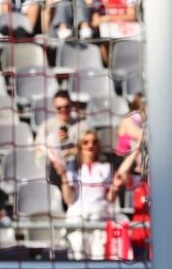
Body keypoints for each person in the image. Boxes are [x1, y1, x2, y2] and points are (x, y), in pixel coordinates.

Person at [54, 130, 119, 259]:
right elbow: (69, 199)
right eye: (85, 142)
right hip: (78, 220)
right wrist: (63, 175)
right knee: (77, 260)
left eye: (94, 142)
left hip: (99, 221)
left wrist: (115, 188)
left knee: (99, 260)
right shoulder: (71, 168)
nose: (90, 145)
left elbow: (109, 199)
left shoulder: (106, 168)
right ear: (80, 146)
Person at [34, 90, 81, 182]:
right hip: (53, 171)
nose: (63, 110)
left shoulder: (81, 125)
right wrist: (55, 156)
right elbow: (38, 149)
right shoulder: (47, 126)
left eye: (66, 107)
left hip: (77, 172)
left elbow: (88, 149)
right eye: (59, 108)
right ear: (54, 108)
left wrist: (68, 152)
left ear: (71, 106)